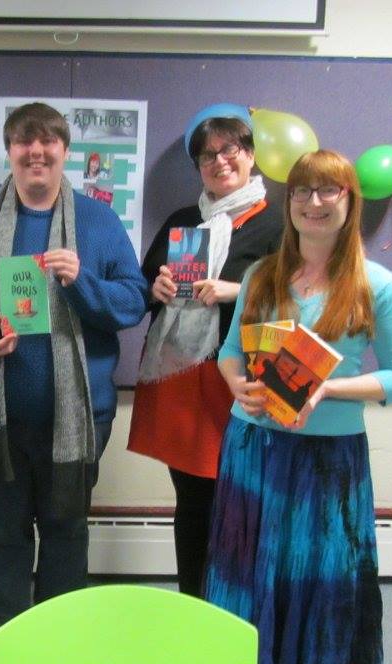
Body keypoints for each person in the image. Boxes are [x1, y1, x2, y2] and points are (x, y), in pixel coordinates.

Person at [0, 102, 147, 664]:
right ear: (10, 151)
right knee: (2, 531)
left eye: (48, 141)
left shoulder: (98, 223)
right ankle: (5, 636)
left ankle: (56, 634)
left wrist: (85, 283)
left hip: (77, 421)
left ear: (65, 151)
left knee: (66, 529)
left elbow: (132, 301)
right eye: (24, 141)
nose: (36, 152)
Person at [207, 150, 392, 664]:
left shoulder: (377, 284)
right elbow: (229, 353)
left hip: (328, 465)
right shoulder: (261, 276)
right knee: (248, 586)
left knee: (313, 596)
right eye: (303, 191)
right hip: (253, 452)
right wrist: (238, 384)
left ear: (351, 204)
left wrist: (327, 388)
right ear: (289, 201)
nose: (314, 203)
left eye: (330, 192)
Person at [127, 116, 282, 597]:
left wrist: (238, 289)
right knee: (192, 500)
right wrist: (157, 286)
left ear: (250, 154)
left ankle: (239, 606)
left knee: (245, 501)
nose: (220, 161)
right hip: (185, 380)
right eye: (207, 155)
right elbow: (141, 289)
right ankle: (193, 601)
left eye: (230, 149)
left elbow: (301, 296)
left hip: (247, 383)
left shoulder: (280, 221)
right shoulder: (182, 221)